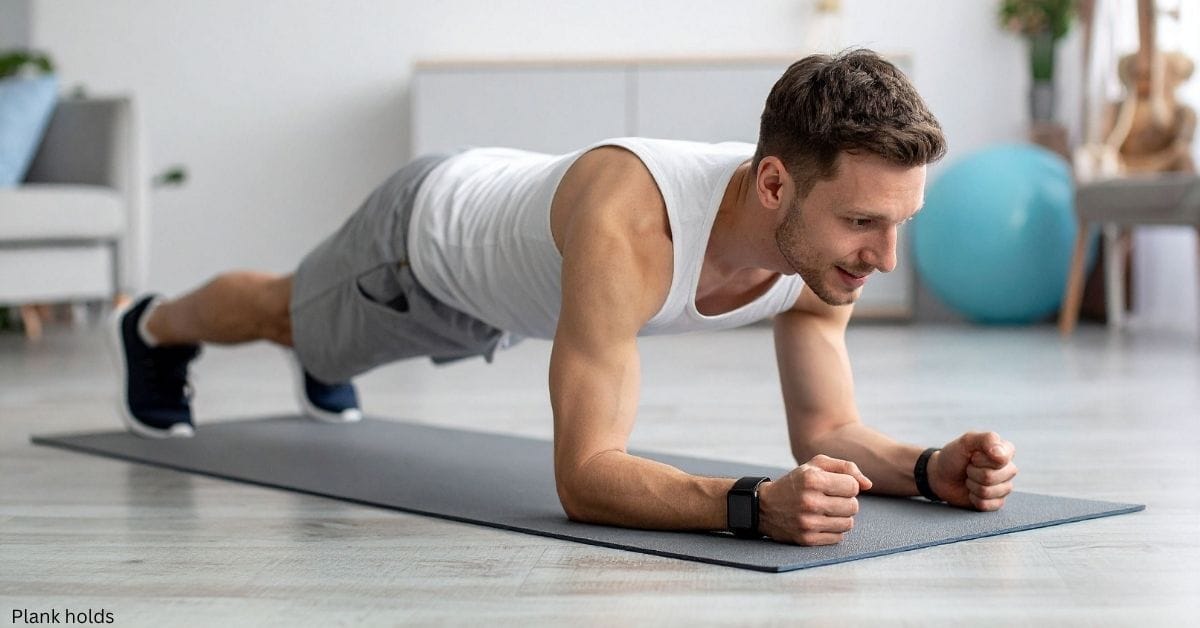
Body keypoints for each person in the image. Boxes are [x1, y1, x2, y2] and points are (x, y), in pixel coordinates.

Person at [111, 49, 1018, 546]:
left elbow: (826, 431)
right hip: (423, 249)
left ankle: (325, 358)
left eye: (899, 223)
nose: (887, 258)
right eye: (866, 222)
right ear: (775, 185)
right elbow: (585, 477)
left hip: (521, 275)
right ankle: (150, 326)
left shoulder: (827, 252)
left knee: (327, 347)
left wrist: (930, 465)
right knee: (287, 314)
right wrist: (748, 505)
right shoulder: (635, 222)